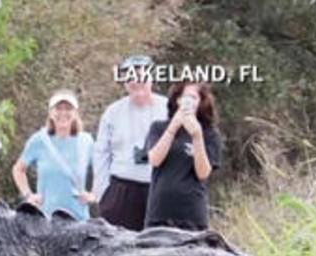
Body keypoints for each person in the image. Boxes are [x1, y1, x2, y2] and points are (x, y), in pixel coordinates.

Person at [93, 54, 168, 230]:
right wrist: (102, 193)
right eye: (131, 76)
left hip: (159, 190)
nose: (137, 82)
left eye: (142, 76)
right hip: (121, 191)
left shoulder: (167, 108)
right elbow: (101, 153)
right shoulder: (113, 112)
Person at [144, 82, 222, 230]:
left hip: (193, 213)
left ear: (201, 102)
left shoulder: (209, 133)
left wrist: (197, 137)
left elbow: (203, 173)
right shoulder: (158, 127)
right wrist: (172, 128)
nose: (188, 102)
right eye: (183, 97)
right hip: (160, 212)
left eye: (193, 98)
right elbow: (154, 160)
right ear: (176, 100)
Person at [11, 90, 95, 221]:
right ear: (50, 113)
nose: (63, 113)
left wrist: (93, 194)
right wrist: (28, 196)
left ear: (75, 113)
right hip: (46, 220)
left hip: (79, 220)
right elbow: (18, 169)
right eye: (58, 108)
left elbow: (103, 169)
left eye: (68, 109)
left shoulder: (86, 142)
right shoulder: (39, 141)